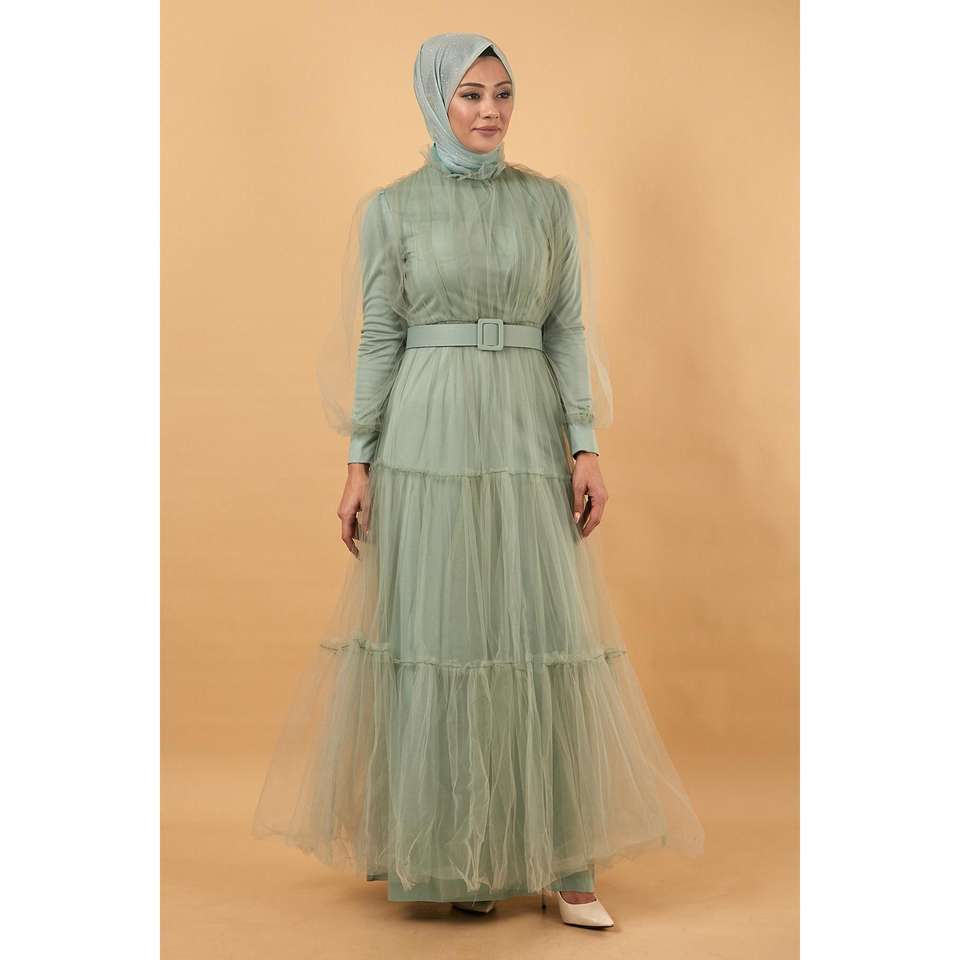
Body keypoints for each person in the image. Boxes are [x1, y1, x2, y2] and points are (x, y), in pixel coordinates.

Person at [252, 32, 705, 929]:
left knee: (541, 632)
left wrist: (585, 445)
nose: (490, 110)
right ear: (436, 100)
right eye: (470, 94)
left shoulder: (548, 204)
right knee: (445, 633)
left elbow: (567, 326)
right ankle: (468, 854)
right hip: (427, 433)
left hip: (526, 426)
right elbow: (381, 335)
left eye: (502, 93)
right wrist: (358, 461)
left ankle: (567, 866)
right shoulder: (393, 209)